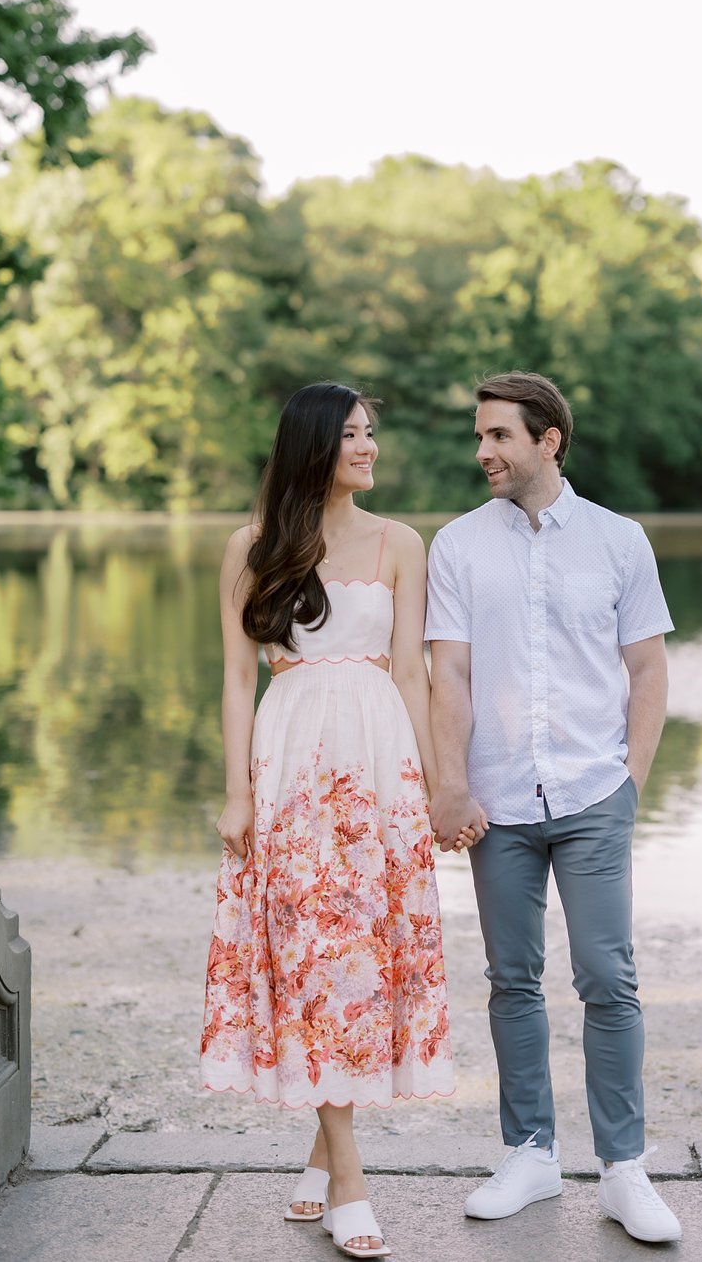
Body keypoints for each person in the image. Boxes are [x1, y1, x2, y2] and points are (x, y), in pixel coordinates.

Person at [200, 381, 468, 1260]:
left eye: (372, 433)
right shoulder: (253, 547)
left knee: (366, 959)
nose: (370, 447)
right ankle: (349, 1177)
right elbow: (241, 679)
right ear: (314, 445)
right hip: (290, 764)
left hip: (376, 769)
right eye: (353, 434)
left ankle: (323, 1157)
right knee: (315, 960)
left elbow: (410, 674)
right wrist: (238, 790)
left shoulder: (400, 543)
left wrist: (436, 786)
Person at [424, 371, 683, 1246]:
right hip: (495, 799)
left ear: (549, 440)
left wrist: (630, 782)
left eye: (498, 436)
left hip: (591, 791)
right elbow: (447, 673)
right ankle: (530, 1154)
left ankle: (623, 1170)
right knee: (511, 979)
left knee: (609, 980)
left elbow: (647, 670)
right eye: (480, 436)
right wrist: (448, 783)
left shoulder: (619, 540)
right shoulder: (456, 546)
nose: (483, 452)